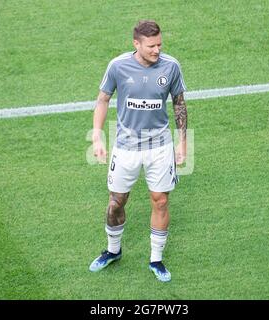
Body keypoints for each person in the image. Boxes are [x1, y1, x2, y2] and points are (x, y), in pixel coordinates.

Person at [89, 20, 188, 282]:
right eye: (151, 46)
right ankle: (112, 251)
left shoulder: (171, 66)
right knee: (116, 202)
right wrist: (97, 136)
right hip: (126, 147)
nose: (157, 50)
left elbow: (179, 103)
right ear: (136, 44)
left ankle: (156, 259)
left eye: (159, 44)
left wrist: (183, 142)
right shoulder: (118, 66)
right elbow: (102, 100)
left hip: (160, 147)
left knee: (161, 200)